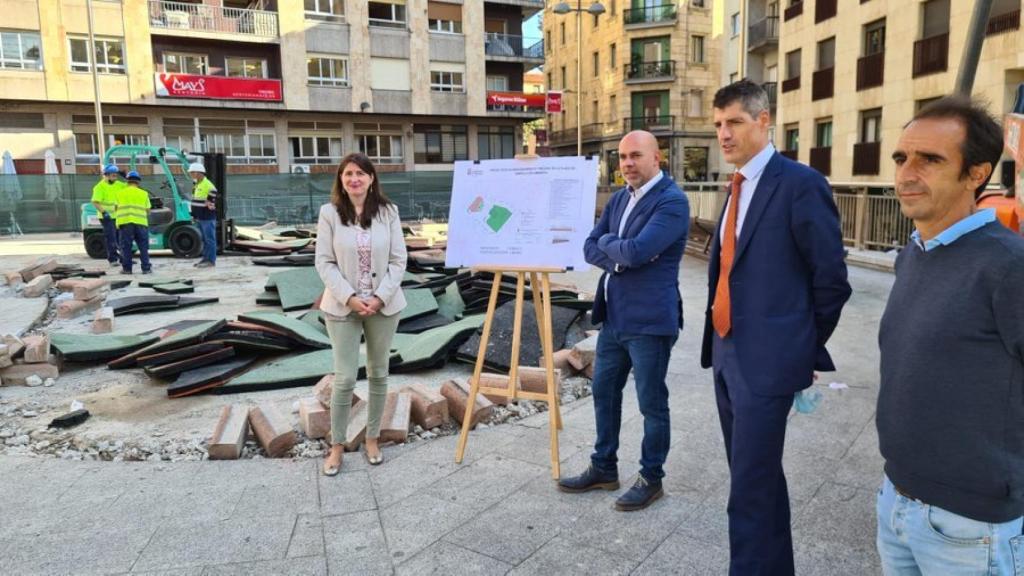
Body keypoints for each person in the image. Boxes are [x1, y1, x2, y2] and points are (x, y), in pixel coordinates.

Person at [701, 79, 850, 574]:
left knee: (750, 485)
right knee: (755, 479)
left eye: (735, 123)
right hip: (725, 353)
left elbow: (830, 281)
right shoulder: (738, 184)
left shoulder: (799, 183)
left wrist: (796, 349)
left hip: (767, 363)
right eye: (719, 124)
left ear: (764, 121)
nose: (723, 134)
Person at [876, 96, 1024, 575]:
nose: (907, 172)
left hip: (971, 527)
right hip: (896, 502)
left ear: (977, 173)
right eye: (902, 157)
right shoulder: (915, 253)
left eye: (930, 159)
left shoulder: (1008, 265)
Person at [557, 130, 690, 512]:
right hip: (614, 317)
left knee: (651, 402)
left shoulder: (672, 202)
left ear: (656, 158)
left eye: (635, 156)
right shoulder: (619, 198)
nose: (627, 164)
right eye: (622, 157)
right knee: (604, 392)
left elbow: (640, 251)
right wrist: (617, 254)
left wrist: (615, 251)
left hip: (650, 321)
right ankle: (604, 468)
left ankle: (652, 477)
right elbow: (591, 244)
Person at [314, 152, 407, 476]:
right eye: (348, 174)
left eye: (360, 174)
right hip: (343, 307)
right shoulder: (329, 214)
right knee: (345, 378)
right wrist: (350, 297)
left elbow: (398, 260)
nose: (354, 179)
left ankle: (371, 438)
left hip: (384, 306)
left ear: (371, 179)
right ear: (341, 179)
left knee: (379, 373)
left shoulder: (388, 212)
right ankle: (337, 445)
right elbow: (324, 262)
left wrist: (380, 297)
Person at [116, 171, 152, 275]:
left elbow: (116, 207)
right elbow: (148, 210)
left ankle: (127, 269)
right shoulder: (144, 194)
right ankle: (146, 269)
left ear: (127, 181)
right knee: (143, 247)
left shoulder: (120, 193)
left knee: (126, 247)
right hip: (141, 223)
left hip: (125, 223)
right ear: (138, 182)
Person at [91, 164, 124, 267]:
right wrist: (104, 213)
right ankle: (113, 259)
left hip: (118, 216)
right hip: (107, 217)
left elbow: (131, 187)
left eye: (116, 175)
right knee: (111, 238)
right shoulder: (99, 187)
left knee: (121, 238)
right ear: (106, 175)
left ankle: (124, 259)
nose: (115, 177)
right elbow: (96, 202)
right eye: (113, 175)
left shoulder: (118, 184)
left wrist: (127, 177)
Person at [189, 162, 218, 268]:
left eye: (192, 172)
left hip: (207, 217)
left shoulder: (207, 184)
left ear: (198, 173)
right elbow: (195, 201)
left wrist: (210, 202)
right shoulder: (197, 185)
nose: (191, 174)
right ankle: (205, 258)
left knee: (209, 239)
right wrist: (193, 215)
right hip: (200, 217)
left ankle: (210, 260)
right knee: (204, 239)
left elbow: (213, 191)